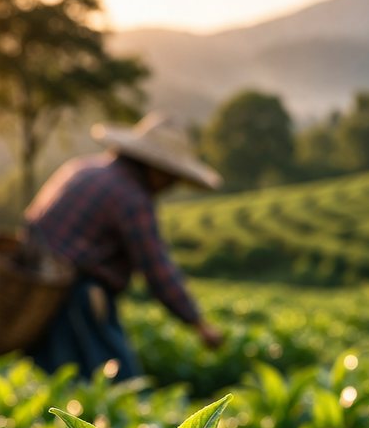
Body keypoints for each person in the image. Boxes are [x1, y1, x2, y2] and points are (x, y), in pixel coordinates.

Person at [24, 112, 225, 381]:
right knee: (117, 386)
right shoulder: (131, 198)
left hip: (35, 294)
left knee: (51, 384)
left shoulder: (82, 168)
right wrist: (198, 323)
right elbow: (157, 269)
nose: (171, 185)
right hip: (77, 299)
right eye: (170, 176)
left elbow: (32, 224)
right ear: (154, 167)